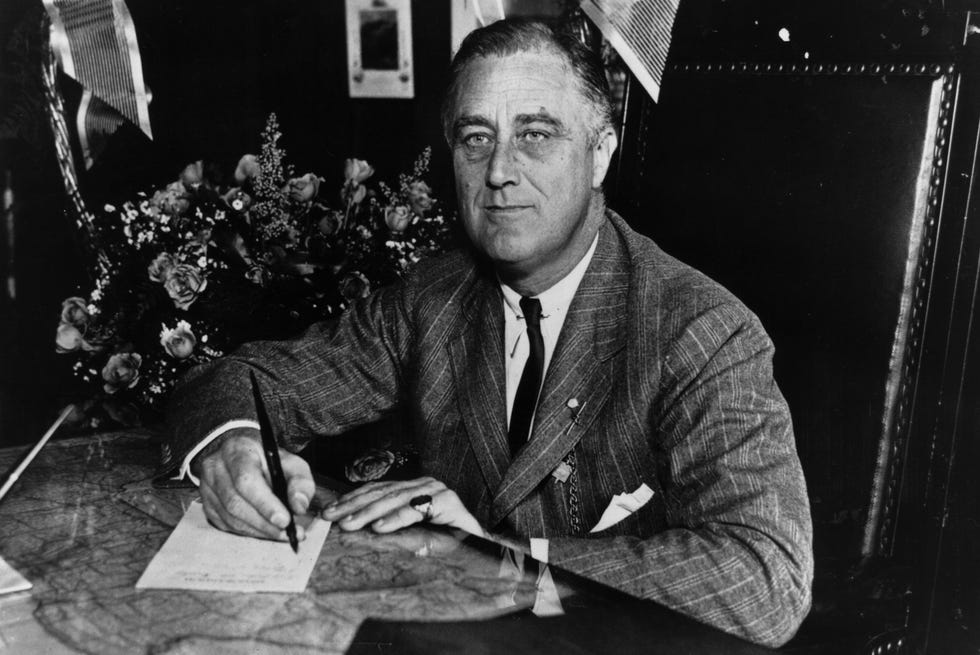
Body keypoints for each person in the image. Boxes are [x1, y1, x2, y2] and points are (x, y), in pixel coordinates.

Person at [163, 18, 813, 647]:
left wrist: (502, 555)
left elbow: (765, 575)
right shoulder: (434, 297)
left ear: (600, 153)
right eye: (476, 138)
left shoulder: (699, 329)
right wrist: (233, 446)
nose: (498, 170)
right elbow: (246, 381)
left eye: (534, 134)